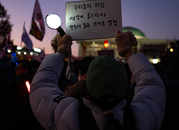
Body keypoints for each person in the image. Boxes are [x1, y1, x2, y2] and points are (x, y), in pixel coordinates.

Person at [29, 31, 166, 130]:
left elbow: (41, 85)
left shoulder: (67, 115)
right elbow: (151, 83)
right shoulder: (141, 117)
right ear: (125, 88)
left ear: (85, 86)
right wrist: (128, 52)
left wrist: (60, 52)